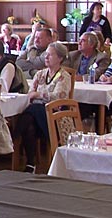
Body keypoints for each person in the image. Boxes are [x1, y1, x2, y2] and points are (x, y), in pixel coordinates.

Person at [14, 42, 71, 172]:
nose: (46, 57)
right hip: (37, 116)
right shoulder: (40, 74)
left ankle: (14, 137)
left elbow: (59, 97)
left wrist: (39, 95)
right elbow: (30, 93)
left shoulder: (64, 76)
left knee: (33, 110)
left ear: (60, 58)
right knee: (29, 126)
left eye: (50, 55)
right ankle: (31, 164)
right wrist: (37, 96)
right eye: (46, 54)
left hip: (53, 115)